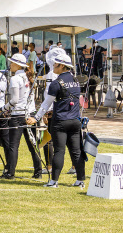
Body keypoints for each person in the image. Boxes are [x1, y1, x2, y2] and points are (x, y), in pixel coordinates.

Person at [28, 53, 86, 188]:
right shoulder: (76, 81)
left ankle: (54, 181)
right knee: (76, 151)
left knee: (59, 151)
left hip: (60, 121)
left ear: (62, 66)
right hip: (75, 120)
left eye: (55, 64)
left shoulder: (56, 83)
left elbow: (46, 104)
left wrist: (35, 118)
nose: (53, 66)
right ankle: (80, 180)